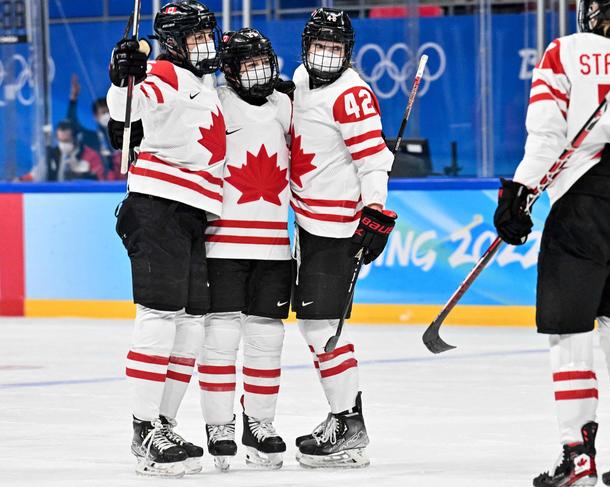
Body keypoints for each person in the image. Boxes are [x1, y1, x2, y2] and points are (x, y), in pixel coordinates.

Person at [493, 1, 610, 485]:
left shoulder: (565, 51)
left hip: (584, 203)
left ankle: (577, 452)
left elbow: (546, 135)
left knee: (570, 332)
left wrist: (518, 193)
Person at [106, 0, 224, 477]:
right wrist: (121, 77)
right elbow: (129, 104)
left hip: (193, 215)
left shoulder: (204, 83)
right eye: (196, 38)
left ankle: (165, 422)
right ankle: (143, 429)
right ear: (173, 43)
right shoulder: (165, 73)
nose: (206, 46)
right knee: (159, 316)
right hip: (158, 207)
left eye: (207, 36)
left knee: (192, 323)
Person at [290, 7, 397, 468]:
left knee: (321, 328)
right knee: (316, 329)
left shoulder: (352, 94)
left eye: (336, 50)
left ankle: (349, 424)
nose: (327, 57)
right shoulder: (298, 80)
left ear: (348, 54)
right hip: (308, 226)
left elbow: (374, 159)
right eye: (320, 48)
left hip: (338, 229)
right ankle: (342, 417)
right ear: (305, 49)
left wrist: (374, 211)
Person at [194, 27, 292, 471]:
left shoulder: (286, 105)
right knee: (221, 336)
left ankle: (261, 423)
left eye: (263, 62)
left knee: (268, 338)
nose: (259, 72)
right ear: (230, 71)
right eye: (248, 64)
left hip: (275, 246)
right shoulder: (213, 100)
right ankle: (219, 425)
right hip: (223, 244)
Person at [67, 74, 116, 174]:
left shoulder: (122, 134)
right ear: (95, 116)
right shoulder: (90, 137)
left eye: (108, 112)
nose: (106, 116)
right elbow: (72, 125)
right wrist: (73, 100)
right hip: (98, 180)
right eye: (103, 113)